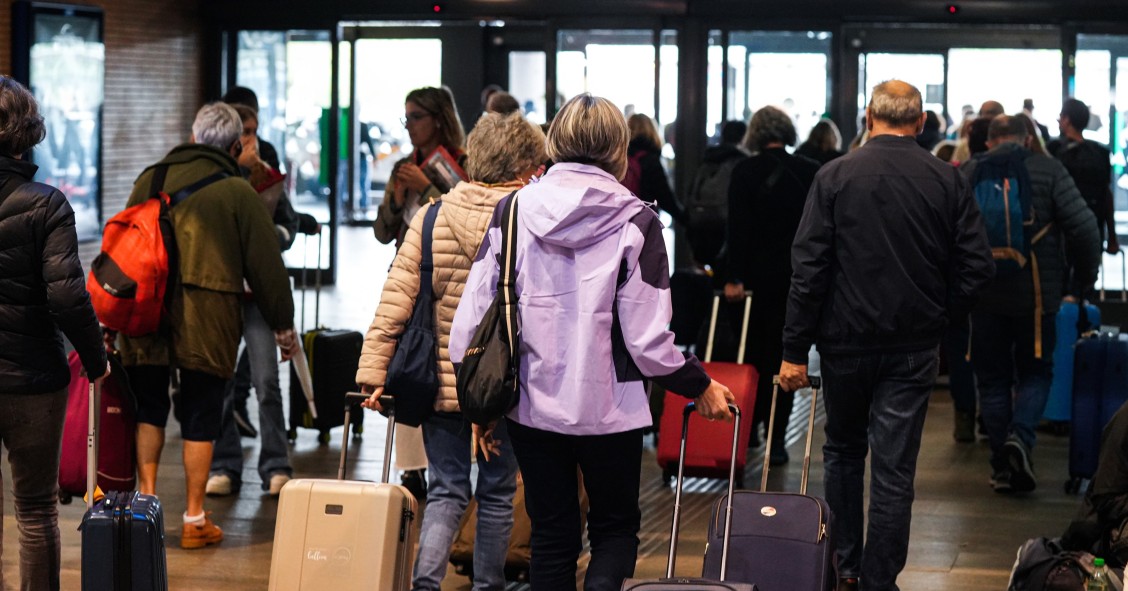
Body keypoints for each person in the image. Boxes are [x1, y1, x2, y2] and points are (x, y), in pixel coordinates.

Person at [449, 93, 735, 591]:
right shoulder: (638, 221)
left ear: (555, 141)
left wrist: (479, 402)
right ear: (618, 149)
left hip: (531, 405)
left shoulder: (512, 212)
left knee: (552, 537)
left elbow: (470, 320)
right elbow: (649, 342)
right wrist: (698, 384)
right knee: (614, 530)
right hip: (611, 409)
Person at [778, 80, 995, 591]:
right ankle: (880, 581)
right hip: (913, 346)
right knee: (895, 471)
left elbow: (808, 269)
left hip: (844, 344)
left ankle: (845, 569)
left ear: (868, 117)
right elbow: (977, 268)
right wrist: (941, 317)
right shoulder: (946, 179)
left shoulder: (834, 177)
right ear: (920, 123)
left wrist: (793, 350)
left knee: (843, 453)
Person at [357, 111, 545, 591]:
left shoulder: (433, 215)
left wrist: (373, 371)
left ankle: (425, 584)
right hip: (502, 384)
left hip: (440, 382)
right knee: (499, 491)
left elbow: (395, 299)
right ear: (525, 166)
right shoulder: (531, 220)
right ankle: (487, 585)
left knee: (446, 490)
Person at [116, 102, 298, 549]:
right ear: (237, 145)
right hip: (207, 315)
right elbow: (266, 266)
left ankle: (147, 508)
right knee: (200, 411)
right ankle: (195, 519)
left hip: (146, 312)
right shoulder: (237, 191)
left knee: (149, 407)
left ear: (194, 137)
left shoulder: (150, 178)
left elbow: (124, 244)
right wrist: (283, 325)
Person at [0, 75, 108, 591]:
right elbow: (66, 294)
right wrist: (95, 356)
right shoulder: (45, 203)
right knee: (37, 510)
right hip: (33, 377)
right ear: (28, 131)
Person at [962, 115, 1101, 494]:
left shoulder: (971, 170)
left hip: (983, 292)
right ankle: (1020, 438)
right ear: (1027, 140)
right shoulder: (1048, 169)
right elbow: (1085, 228)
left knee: (991, 380)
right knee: (1036, 372)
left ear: (989, 142)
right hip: (1038, 293)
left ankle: (1000, 466)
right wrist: (1083, 279)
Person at [205, 102, 309, 498]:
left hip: (259, 292)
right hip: (223, 290)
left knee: (267, 380)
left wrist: (272, 238)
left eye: (253, 129)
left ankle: (275, 464)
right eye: (242, 130)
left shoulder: (265, 165)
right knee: (221, 381)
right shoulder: (214, 170)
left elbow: (289, 222)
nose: (249, 138)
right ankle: (224, 464)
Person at [373, 86, 467, 500]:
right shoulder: (401, 166)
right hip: (407, 278)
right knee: (405, 369)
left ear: (438, 118)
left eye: (416, 117)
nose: (409, 126)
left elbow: (464, 217)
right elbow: (380, 231)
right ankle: (411, 467)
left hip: (451, 283)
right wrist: (397, 196)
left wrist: (428, 186)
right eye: (406, 118)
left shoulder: (461, 164)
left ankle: (454, 455)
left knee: (444, 370)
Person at [723, 105, 820, 465]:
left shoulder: (744, 171)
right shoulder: (809, 171)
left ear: (756, 134)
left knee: (753, 360)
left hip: (754, 282)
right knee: (787, 359)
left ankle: (748, 432)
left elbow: (738, 229)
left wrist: (734, 276)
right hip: (796, 280)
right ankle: (777, 440)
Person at [1048, 98, 1120, 254]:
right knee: (1089, 274)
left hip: (1060, 229)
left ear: (1067, 120)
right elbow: (1106, 194)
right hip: (1093, 226)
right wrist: (1112, 237)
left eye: (1061, 116)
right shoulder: (1100, 153)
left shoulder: (1053, 150)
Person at [685, 119, 748, 269]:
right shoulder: (742, 162)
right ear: (743, 138)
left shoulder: (708, 157)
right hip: (727, 231)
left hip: (701, 227)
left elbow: (691, 192)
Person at [626, 113, 686, 225]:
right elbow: (665, 197)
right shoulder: (650, 159)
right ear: (652, 131)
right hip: (643, 224)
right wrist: (686, 219)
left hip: (620, 221)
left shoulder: (619, 158)